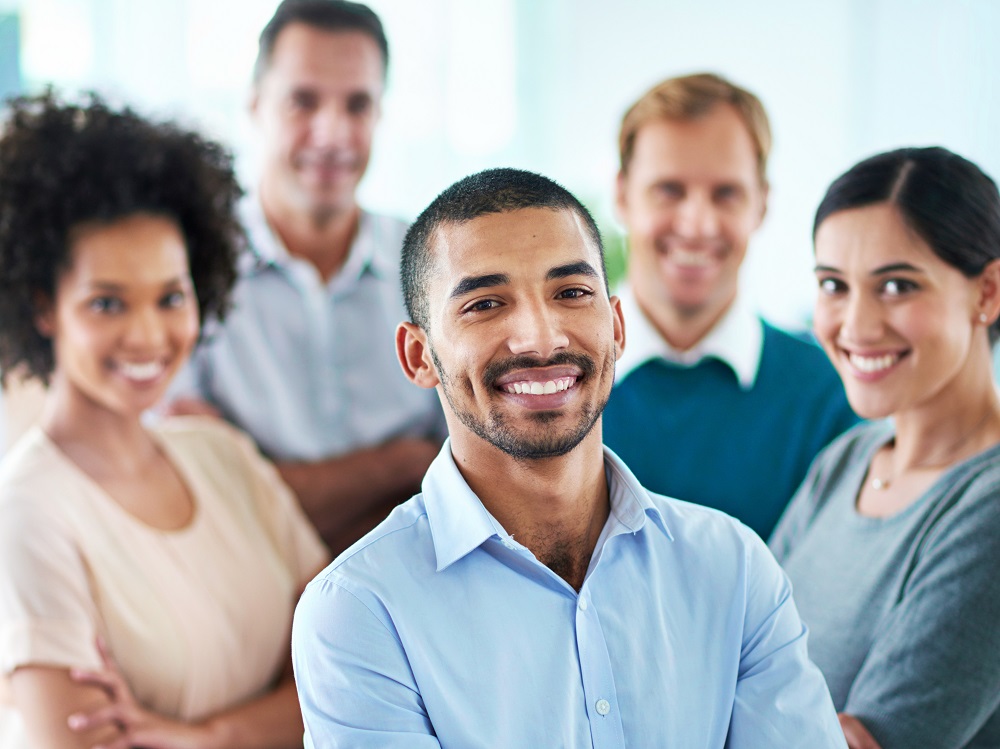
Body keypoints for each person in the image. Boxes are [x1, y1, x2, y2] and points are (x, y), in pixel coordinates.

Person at [291, 167, 848, 747]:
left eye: (571, 293)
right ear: (417, 355)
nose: (540, 338)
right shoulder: (360, 611)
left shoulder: (734, 570)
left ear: (616, 326)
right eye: (484, 304)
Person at [0, 92, 329, 748]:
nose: (148, 335)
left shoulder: (222, 455)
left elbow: (350, 662)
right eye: (107, 303)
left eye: (170, 297)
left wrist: (205, 736)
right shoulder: (26, 515)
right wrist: (281, 713)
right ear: (44, 307)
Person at [166, 0, 445, 554]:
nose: (332, 133)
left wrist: (275, 486)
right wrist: (404, 462)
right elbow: (216, 499)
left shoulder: (437, 259)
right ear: (254, 107)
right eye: (303, 101)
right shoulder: (183, 272)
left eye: (358, 105)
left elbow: (478, 476)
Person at [769, 147, 1000, 749]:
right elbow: (739, 647)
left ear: (989, 293)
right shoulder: (848, 460)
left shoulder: (990, 503)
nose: (856, 325)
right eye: (833, 286)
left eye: (896, 285)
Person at [603, 73, 858, 539]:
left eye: (726, 193)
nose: (697, 224)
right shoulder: (548, 380)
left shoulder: (830, 397)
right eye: (669, 190)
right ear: (622, 194)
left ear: (762, 204)